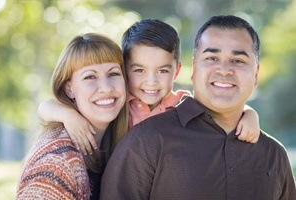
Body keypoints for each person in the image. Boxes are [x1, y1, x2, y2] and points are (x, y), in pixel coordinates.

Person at [100, 15, 296, 199]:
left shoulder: (274, 155)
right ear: (193, 69)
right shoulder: (145, 140)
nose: (225, 70)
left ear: (256, 75)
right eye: (211, 58)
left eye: (238, 60)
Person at [38, 19, 261, 156]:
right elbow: (45, 106)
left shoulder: (183, 104)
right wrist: (69, 116)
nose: (151, 82)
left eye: (162, 71)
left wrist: (250, 114)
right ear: (124, 70)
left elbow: (220, 111)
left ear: (176, 71)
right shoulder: (117, 104)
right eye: (139, 71)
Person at [16, 33, 128, 200]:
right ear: (69, 89)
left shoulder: (117, 138)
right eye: (90, 76)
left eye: (113, 74)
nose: (106, 87)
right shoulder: (56, 163)